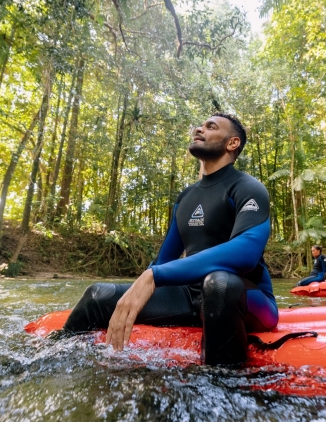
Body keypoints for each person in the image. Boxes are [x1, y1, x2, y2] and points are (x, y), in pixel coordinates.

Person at [62, 113, 278, 365]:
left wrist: (156, 276)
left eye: (210, 127)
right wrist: (140, 286)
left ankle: (223, 387)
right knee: (97, 294)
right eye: (199, 125)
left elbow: (246, 252)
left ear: (232, 143)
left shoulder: (247, 188)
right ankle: (52, 362)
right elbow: (164, 258)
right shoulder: (186, 198)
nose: (200, 129)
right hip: (190, 296)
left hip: (246, 297)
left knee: (218, 284)